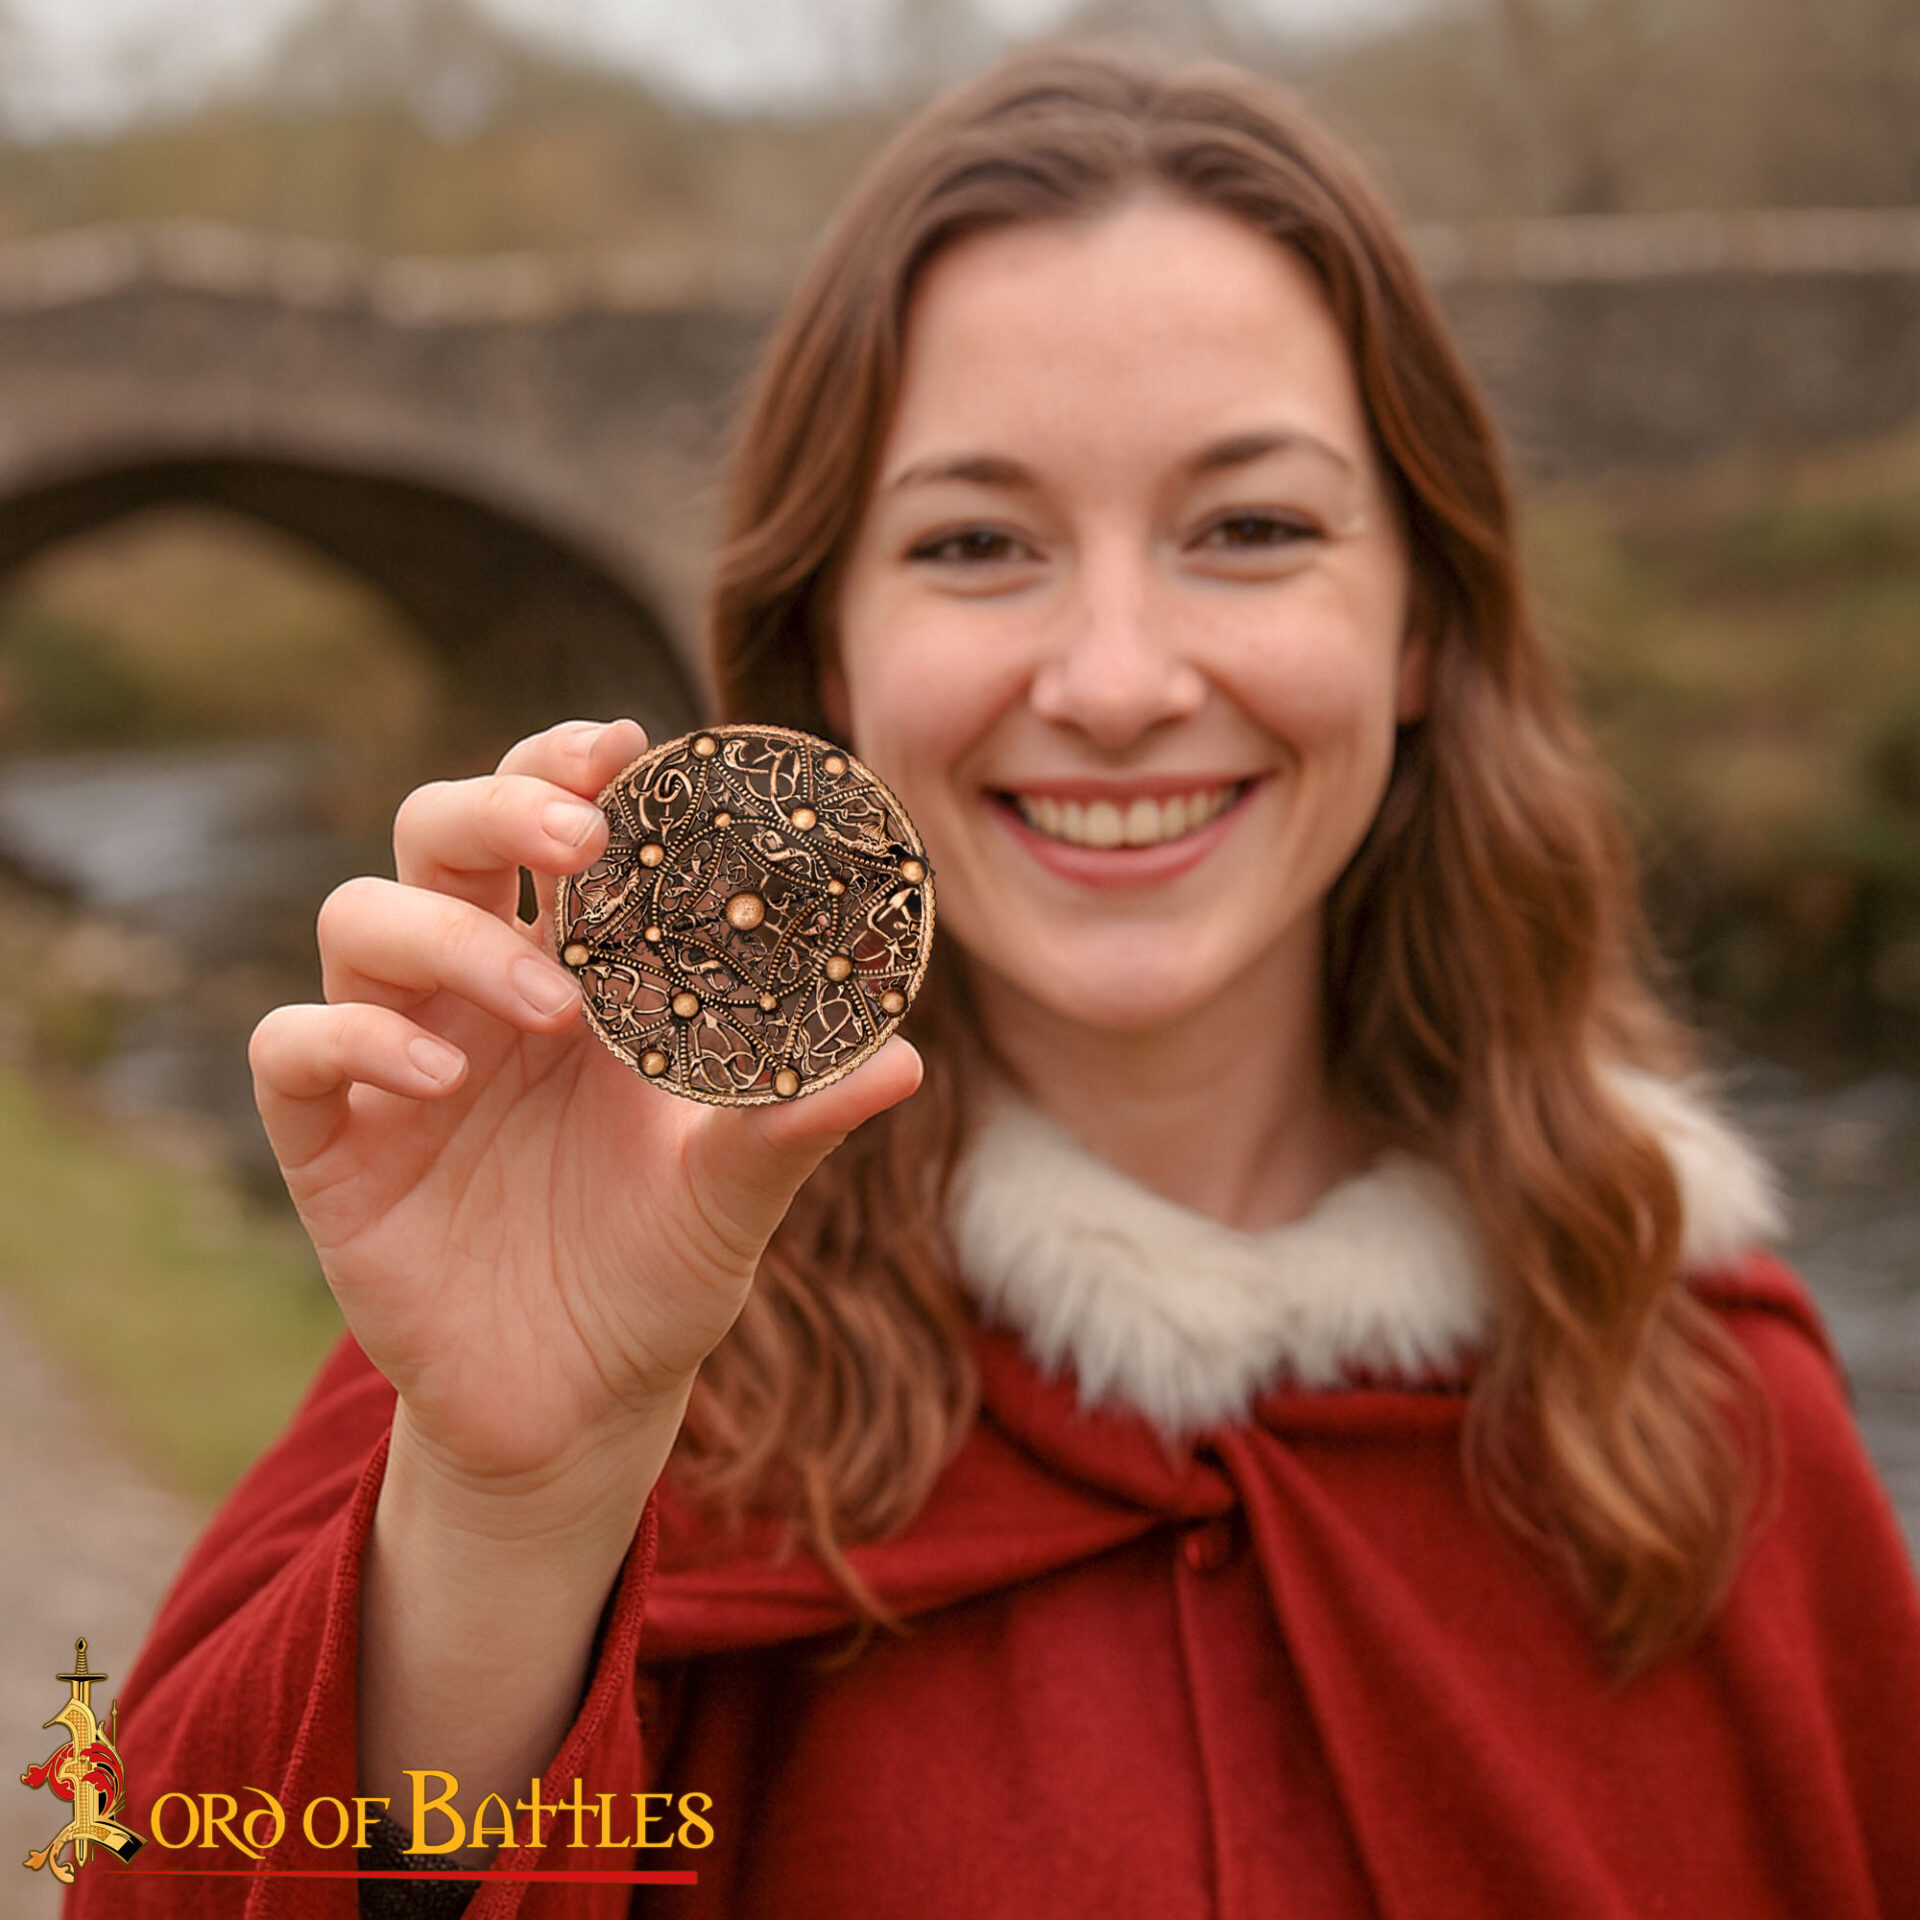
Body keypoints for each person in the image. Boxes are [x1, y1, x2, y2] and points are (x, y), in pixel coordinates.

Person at [77, 43, 1920, 1920]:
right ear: (830, 661)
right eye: (976, 544)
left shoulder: (1719, 1409)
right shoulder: (576, 1351)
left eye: (1251, 528)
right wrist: (508, 1525)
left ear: (1425, 620)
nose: (1116, 682)